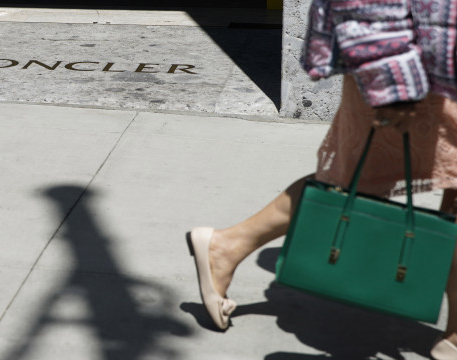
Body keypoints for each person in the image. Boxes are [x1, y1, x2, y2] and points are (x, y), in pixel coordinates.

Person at [186, 0, 457, 358]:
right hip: (413, 64)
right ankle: (227, 245)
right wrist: (392, 76)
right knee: (352, 181)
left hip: (435, 61)